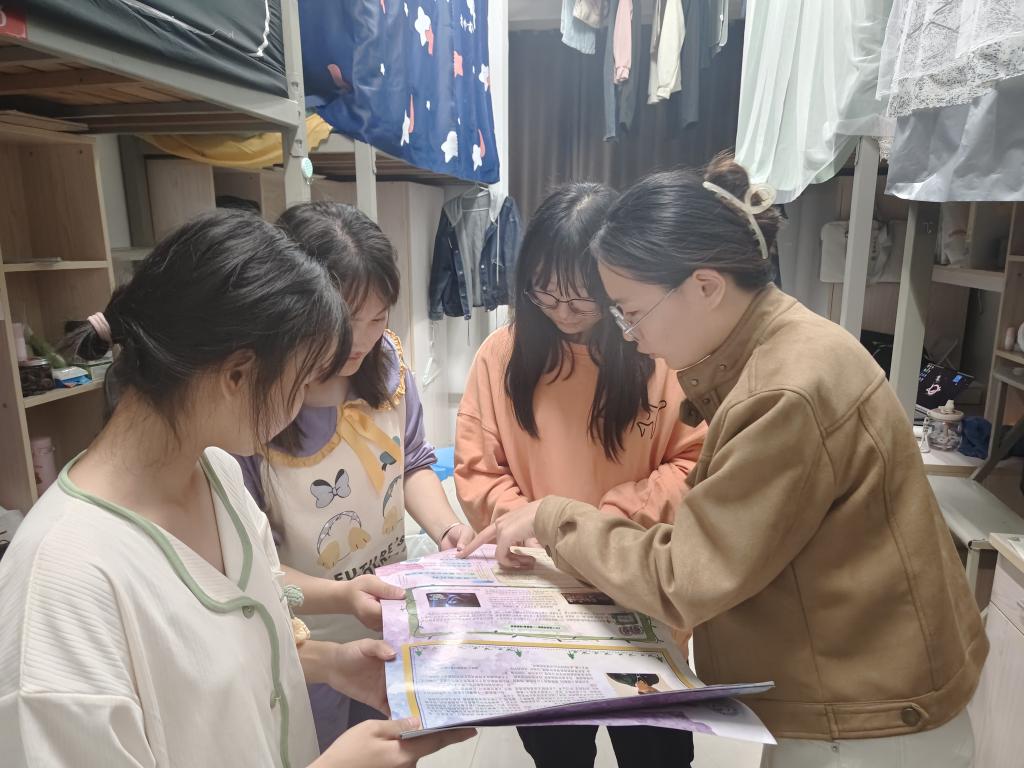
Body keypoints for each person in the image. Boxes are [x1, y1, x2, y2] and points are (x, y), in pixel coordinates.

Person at [461, 155, 987, 767]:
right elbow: (479, 467)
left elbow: (684, 575)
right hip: (849, 691)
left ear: (705, 287)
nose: (629, 333)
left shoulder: (781, 389)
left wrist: (557, 518)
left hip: (862, 716)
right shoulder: (779, 352)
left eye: (629, 310)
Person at [0, 210, 469, 767]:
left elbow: (249, 623)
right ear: (237, 375)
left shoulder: (217, 474)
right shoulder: (61, 586)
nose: (309, 404)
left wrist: (330, 662)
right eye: (304, 380)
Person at [455, 183, 705, 768]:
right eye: (545, 293)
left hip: (638, 589)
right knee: (558, 754)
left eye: (581, 300)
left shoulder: (660, 352)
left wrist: (598, 524)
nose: (563, 313)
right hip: (541, 597)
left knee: (657, 756)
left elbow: (694, 463)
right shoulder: (501, 355)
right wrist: (536, 531)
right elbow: (478, 470)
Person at [238, 201, 472, 753]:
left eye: (379, 318)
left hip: (388, 618)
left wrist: (447, 530)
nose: (362, 340)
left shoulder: (387, 368)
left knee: (392, 747)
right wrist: (342, 597)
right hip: (304, 644)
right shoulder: (251, 412)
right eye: (346, 321)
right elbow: (249, 566)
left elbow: (412, 462)